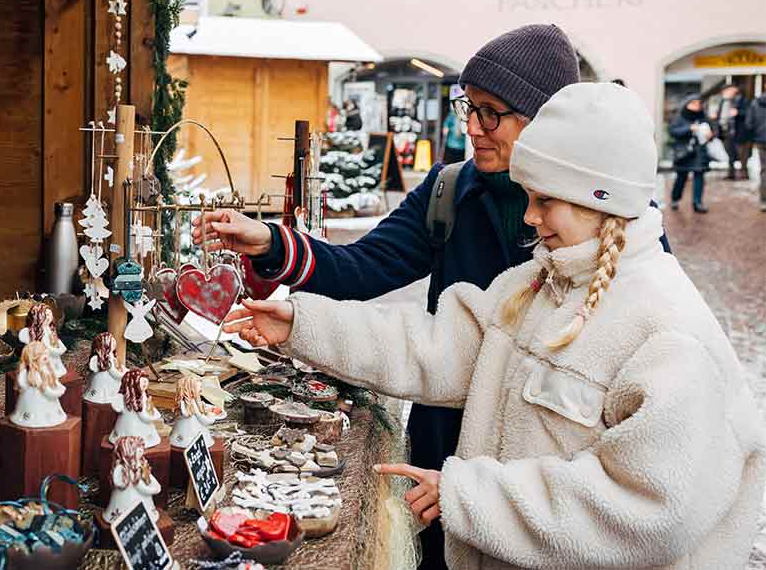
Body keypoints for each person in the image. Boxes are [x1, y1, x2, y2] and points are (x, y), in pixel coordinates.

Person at [227, 83, 765, 570]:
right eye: (528, 198)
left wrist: (473, 497)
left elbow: (650, 505)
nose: (529, 218)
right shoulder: (536, 283)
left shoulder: (667, 331)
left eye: (545, 201)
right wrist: (300, 322)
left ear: (600, 200)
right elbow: (436, 350)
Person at [669, 94, 716, 214]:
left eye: (698, 103)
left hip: (700, 152)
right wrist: (689, 128)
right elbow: (673, 131)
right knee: (681, 177)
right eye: (693, 103)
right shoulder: (679, 117)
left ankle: (697, 203)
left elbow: (713, 130)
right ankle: (675, 198)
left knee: (699, 176)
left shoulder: (703, 118)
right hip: (684, 153)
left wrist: (711, 135)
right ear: (687, 104)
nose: (696, 106)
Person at [742, 92, 766, 212]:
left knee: (764, 170)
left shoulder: (755, 103)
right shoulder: (754, 103)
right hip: (761, 139)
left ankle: (764, 201)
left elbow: (749, 123)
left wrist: (756, 134)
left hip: (761, 140)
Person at [440, 86, 467, 164]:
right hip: (455, 145)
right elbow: (446, 127)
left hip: (458, 146)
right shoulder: (453, 115)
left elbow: (445, 129)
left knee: (456, 163)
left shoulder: (461, 116)